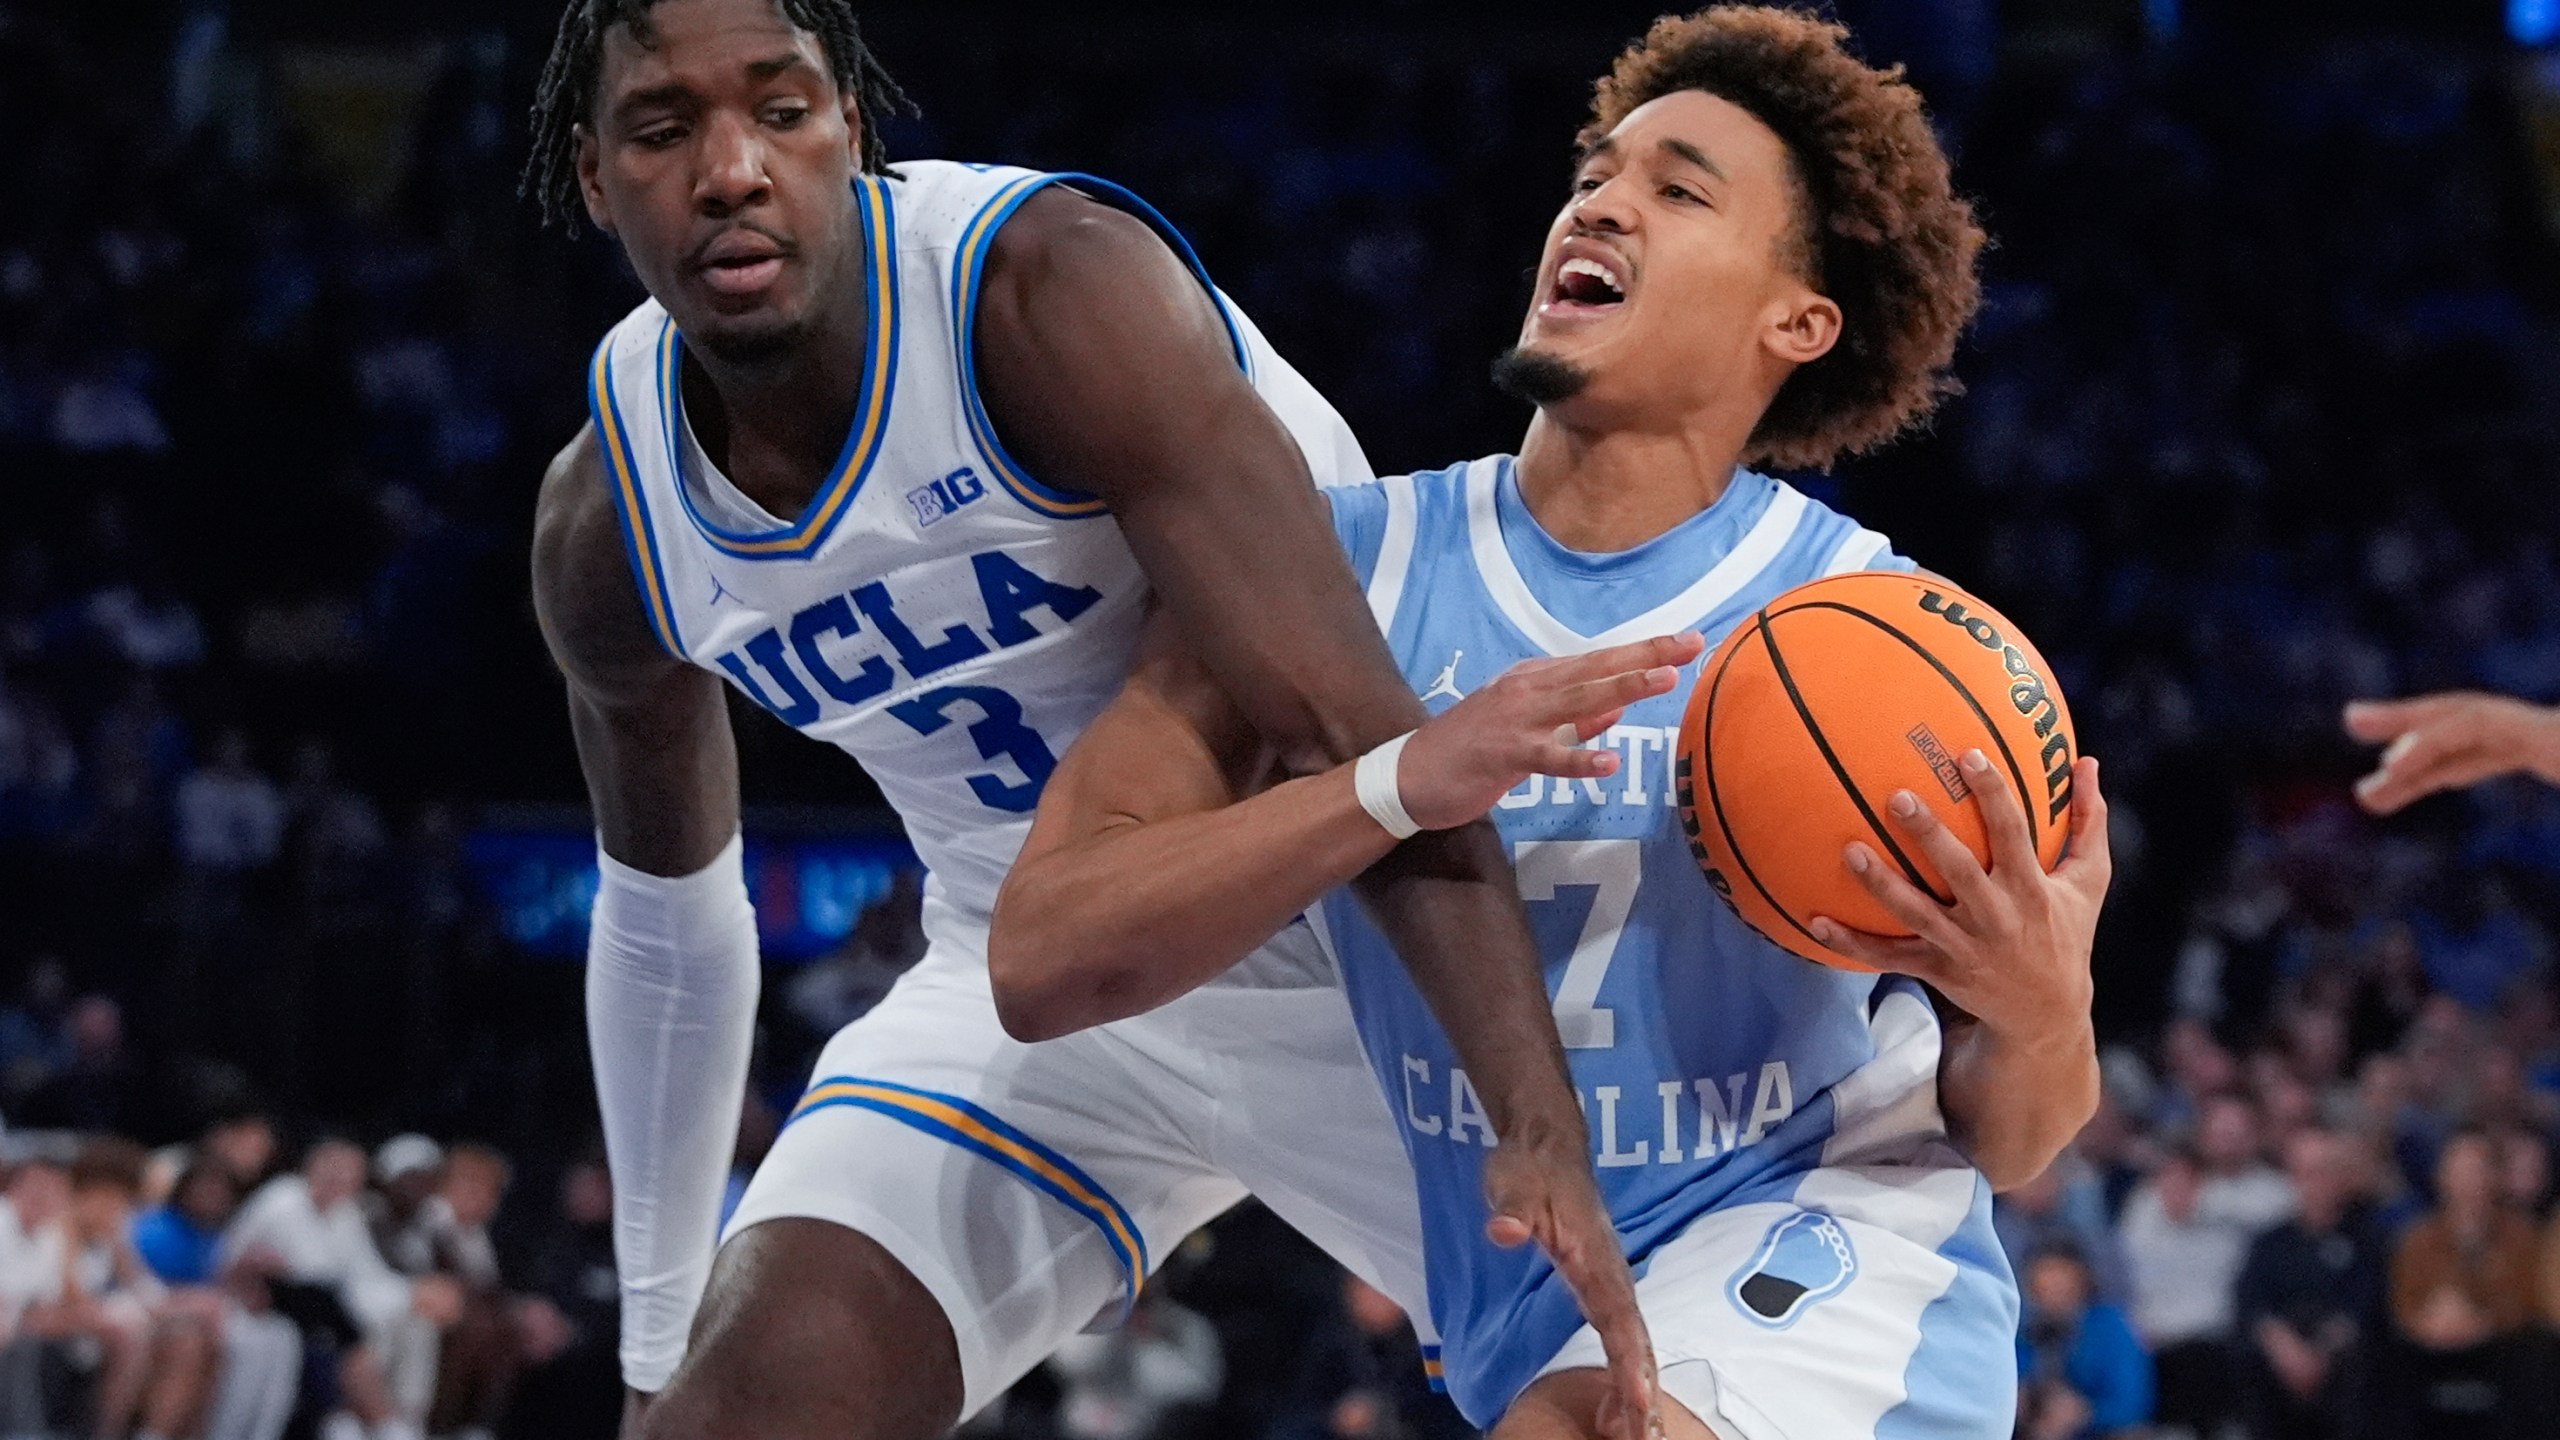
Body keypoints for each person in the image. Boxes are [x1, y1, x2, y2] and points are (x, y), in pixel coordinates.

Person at [520, 0, 1648, 1436]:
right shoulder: (610, 524)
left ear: (851, 129)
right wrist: (651, 1350)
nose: (732, 168)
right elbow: (669, 930)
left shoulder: (1043, 293)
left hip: (1358, 952)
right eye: (664, 130)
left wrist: (1535, 1123)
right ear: (593, 175)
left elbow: (1357, 743)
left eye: (782, 111)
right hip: (1030, 989)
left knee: (1646, 1407)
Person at [988, 10, 2111, 1437]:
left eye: (1677, 187)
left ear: (1799, 320)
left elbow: (2016, 1135)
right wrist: (1393, 783)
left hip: (1829, 1251)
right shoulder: (1326, 575)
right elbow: (1039, 956)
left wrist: (2041, 1008)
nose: (1600, 199)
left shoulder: (1873, 634)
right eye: (1598, 169)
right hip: (1523, 1299)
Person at [2234, 1128, 2384, 1440]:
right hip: (2281, 1361)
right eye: (2305, 1173)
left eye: (2324, 1171)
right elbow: (2252, 1303)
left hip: (2340, 1360)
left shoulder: (2366, 1239)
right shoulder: (2270, 1241)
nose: (2315, 1182)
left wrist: (2318, 1354)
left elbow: (2364, 1306)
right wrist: (2285, 1348)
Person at [2014, 1245, 2151, 1440]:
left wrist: (2085, 1413)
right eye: (2047, 1275)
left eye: (2062, 1274)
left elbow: (2133, 1402)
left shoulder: (2109, 1326)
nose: (2055, 1285)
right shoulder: (2021, 1332)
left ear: (2082, 1279)